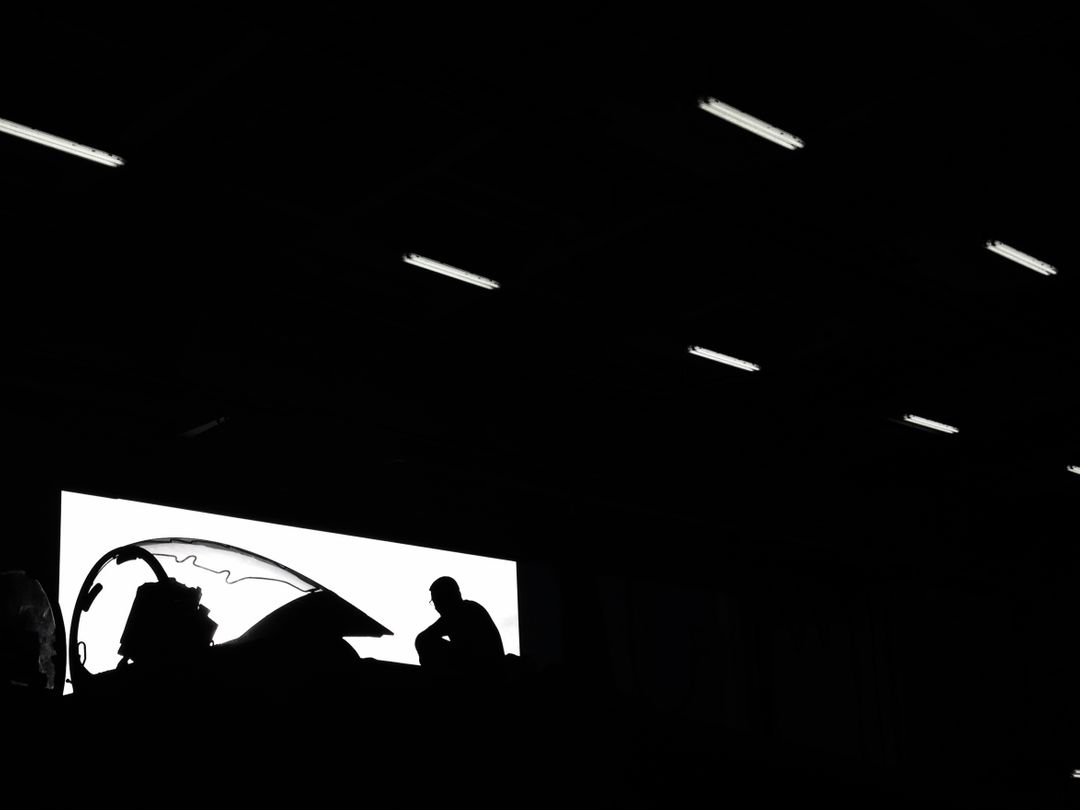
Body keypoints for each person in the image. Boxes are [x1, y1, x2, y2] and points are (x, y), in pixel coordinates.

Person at [415, 576, 504, 677]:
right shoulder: (469, 609)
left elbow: (423, 639)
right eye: (434, 602)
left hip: (484, 672)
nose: (436, 607)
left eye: (437, 600)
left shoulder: (463, 611)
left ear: (448, 597)